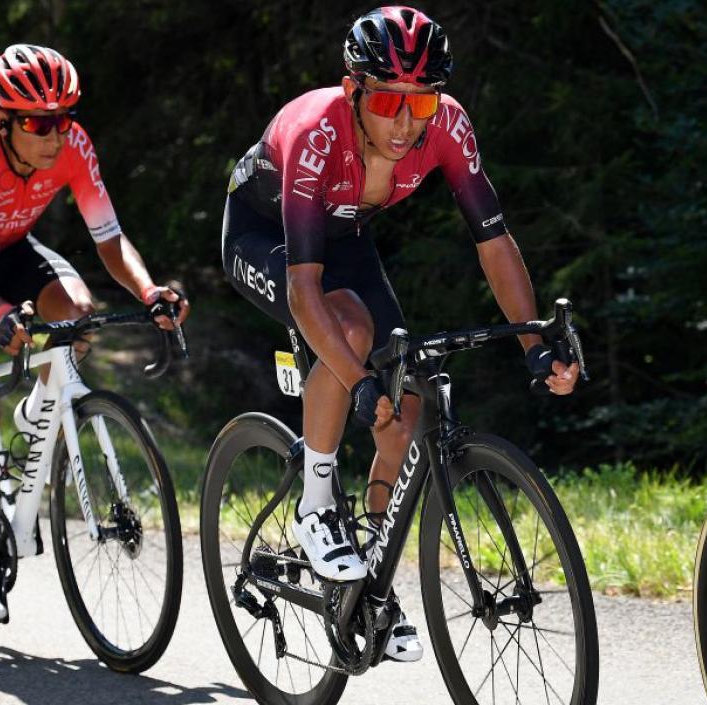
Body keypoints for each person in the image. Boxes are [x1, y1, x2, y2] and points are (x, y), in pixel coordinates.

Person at [220, 6, 579, 662]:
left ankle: (371, 592)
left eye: (424, 101)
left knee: (406, 410)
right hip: (263, 234)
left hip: (347, 231)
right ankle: (318, 503)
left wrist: (534, 344)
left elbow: (494, 242)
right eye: (388, 100)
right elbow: (305, 292)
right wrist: (356, 380)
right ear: (354, 90)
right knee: (349, 329)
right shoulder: (315, 132)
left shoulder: (447, 126)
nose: (407, 121)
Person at [0, 44, 188, 623]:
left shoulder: (75, 147)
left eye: (62, 120)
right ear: (4, 121)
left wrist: (148, 292)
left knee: (77, 313)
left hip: (11, 246)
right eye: (39, 124)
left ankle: (37, 412)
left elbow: (109, 241)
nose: (54, 136)